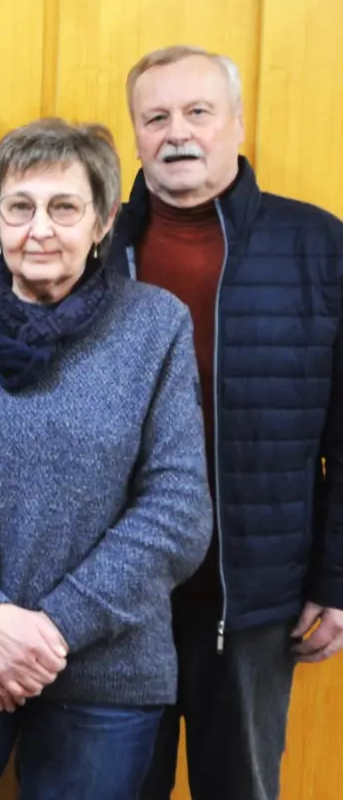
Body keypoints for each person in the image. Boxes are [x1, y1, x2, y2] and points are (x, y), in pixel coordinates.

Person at [0, 118, 213, 798]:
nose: (40, 230)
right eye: (19, 207)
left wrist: (48, 632)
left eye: (64, 208)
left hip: (105, 669)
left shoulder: (157, 325)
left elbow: (178, 512)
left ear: (103, 221)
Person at [112, 45, 343, 800]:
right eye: (156, 116)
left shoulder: (317, 245)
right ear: (136, 134)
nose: (178, 132)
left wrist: (334, 581)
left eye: (198, 112)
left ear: (237, 124)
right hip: (116, 602)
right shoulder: (95, 246)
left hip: (252, 603)